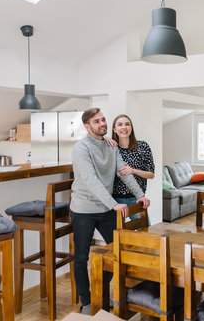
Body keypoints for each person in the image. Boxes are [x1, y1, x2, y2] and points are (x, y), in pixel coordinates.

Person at [70, 108, 150, 315]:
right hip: (83, 209)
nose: (102, 123)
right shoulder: (81, 148)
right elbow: (90, 180)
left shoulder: (110, 146)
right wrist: (113, 203)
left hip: (105, 208)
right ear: (88, 127)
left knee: (119, 249)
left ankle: (110, 293)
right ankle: (87, 301)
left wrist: (140, 195)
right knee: (81, 257)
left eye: (104, 119)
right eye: (97, 121)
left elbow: (123, 173)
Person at [110, 114, 155, 220]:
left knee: (143, 232)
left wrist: (133, 171)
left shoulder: (143, 146)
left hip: (136, 198)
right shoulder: (111, 148)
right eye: (120, 125)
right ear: (114, 129)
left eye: (127, 124)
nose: (124, 127)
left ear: (131, 128)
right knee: (116, 234)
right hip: (115, 200)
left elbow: (151, 174)